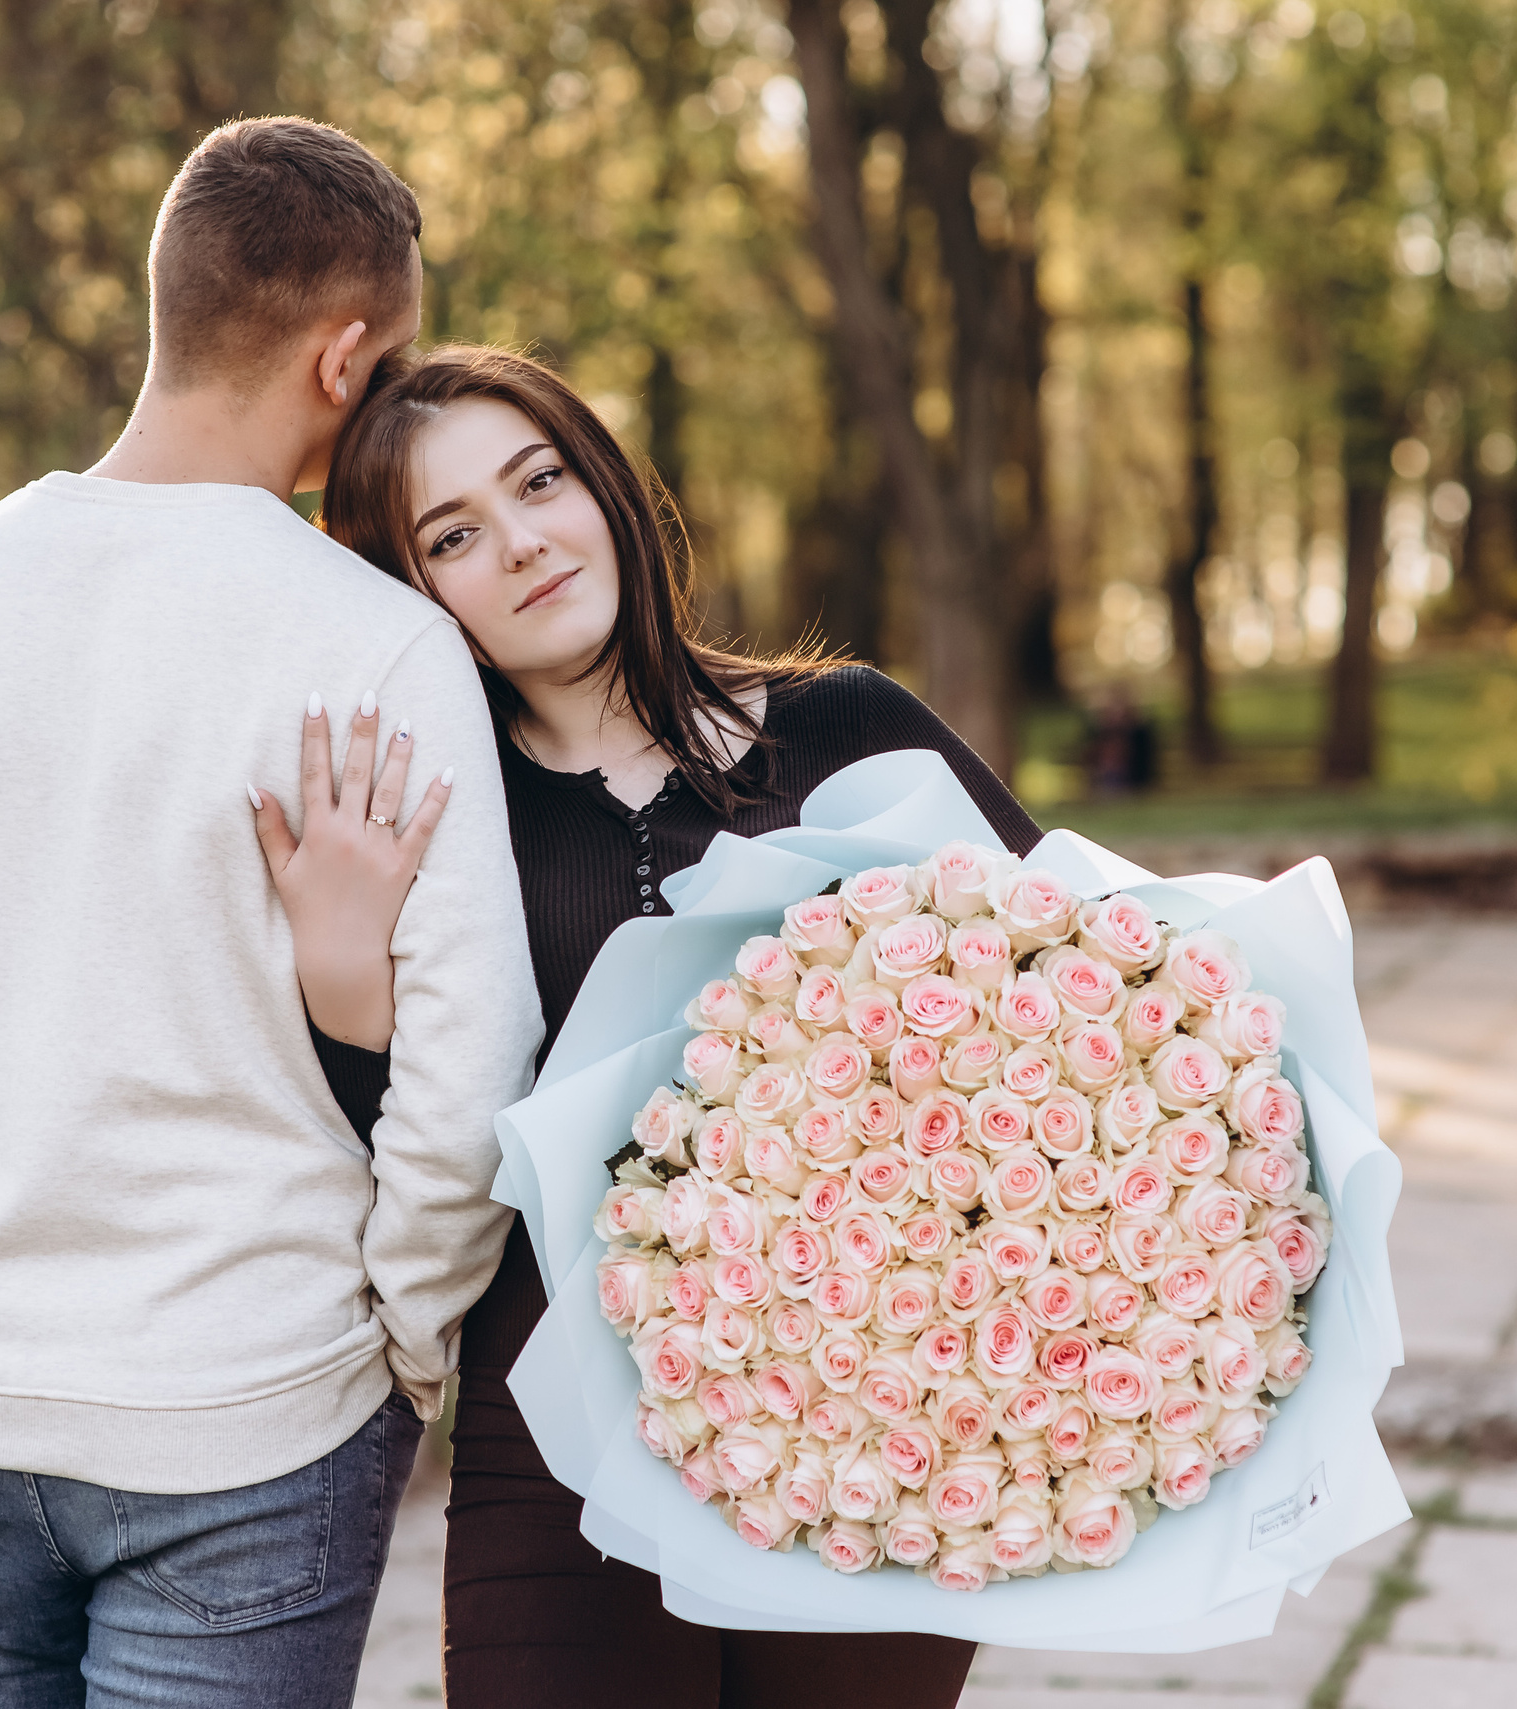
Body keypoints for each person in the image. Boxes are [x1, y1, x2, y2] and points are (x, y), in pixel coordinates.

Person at [0, 122, 543, 1709]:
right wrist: (400, 1332)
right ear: (345, 358)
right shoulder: (381, 644)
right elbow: (473, 1071)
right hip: (254, 1400)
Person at [254, 344, 1044, 1708]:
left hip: (873, 1425)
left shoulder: (851, 732)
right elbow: (373, 1149)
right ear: (412, 589)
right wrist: (339, 981)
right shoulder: (433, 821)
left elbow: (1090, 980)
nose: (522, 542)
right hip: (555, 1435)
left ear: (604, 483)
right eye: (454, 533)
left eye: (539, 480)